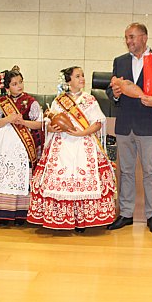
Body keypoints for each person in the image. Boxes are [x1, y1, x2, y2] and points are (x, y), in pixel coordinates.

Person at [105, 22, 152, 235]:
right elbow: (112, 93)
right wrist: (116, 94)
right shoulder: (119, 62)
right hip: (125, 125)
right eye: (126, 37)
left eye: (132, 37)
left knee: (150, 173)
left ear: (145, 37)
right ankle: (126, 214)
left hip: (149, 127)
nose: (128, 41)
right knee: (125, 171)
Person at [27, 66, 116, 232]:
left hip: (84, 143)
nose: (82, 78)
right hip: (61, 144)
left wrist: (82, 132)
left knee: (85, 179)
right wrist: (53, 128)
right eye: (77, 76)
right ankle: (61, 218)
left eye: (82, 75)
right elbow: (48, 123)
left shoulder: (90, 100)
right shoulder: (58, 101)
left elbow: (97, 123)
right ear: (68, 82)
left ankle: (82, 220)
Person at [0, 67, 43, 225]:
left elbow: (39, 124)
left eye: (20, 82)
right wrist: (8, 119)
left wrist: (23, 122)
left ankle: (20, 213)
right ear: (7, 88)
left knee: (20, 175)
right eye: (14, 83)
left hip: (21, 146)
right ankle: (2, 212)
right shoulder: (1, 104)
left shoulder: (31, 102)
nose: (18, 86)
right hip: (1, 146)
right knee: (2, 175)